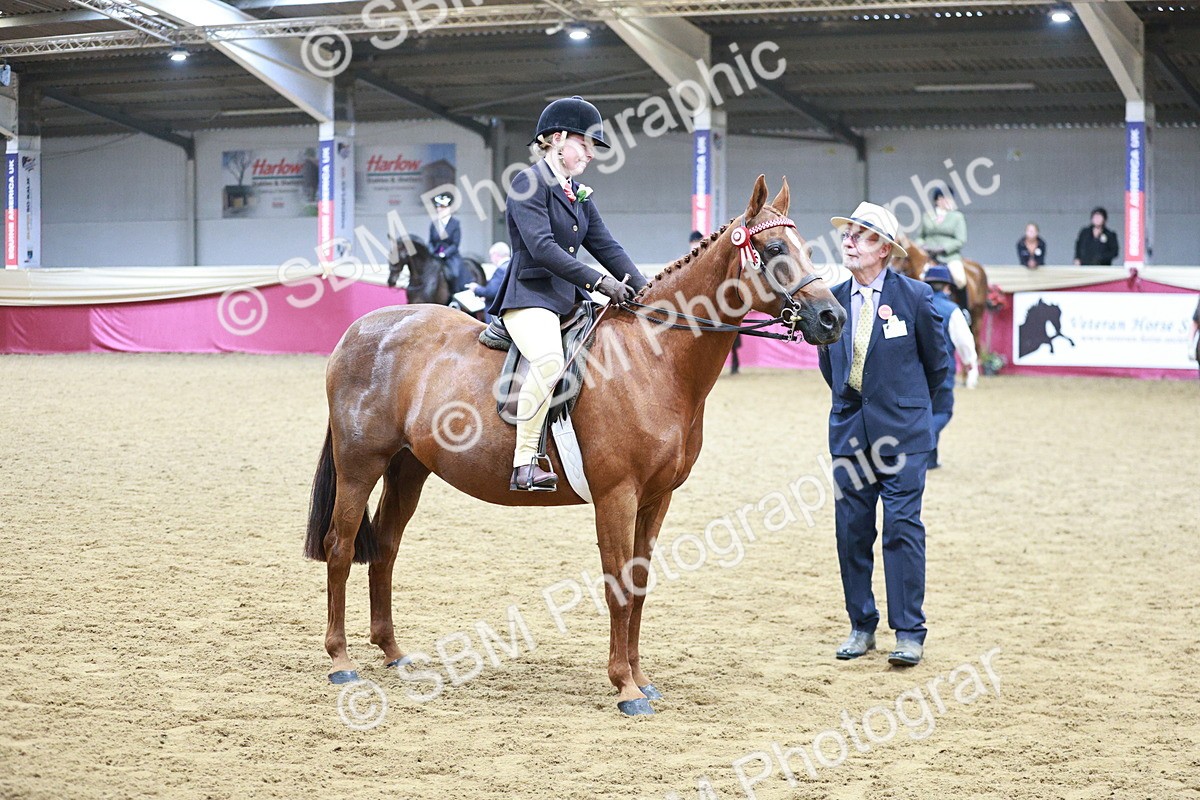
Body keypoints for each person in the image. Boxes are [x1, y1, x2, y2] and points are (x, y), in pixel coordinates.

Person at [486, 96, 647, 491]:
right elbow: (542, 248)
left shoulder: (578, 193)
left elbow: (608, 248)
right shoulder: (528, 183)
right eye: (585, 143)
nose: (592, 154)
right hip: (529, 297)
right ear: (557, 139)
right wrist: (600, 282)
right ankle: (524, 462)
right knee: (548, 361)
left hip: (569, 301)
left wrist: (649, 293)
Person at [818, 201, 952, 667]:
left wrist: (906, 409)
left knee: (901, 528)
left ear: (885, 250)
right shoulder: (830, 299)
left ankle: (909, 632)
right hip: (850, 431)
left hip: (904, 435)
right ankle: (861, 625)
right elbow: (828, 366)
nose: (849, 240)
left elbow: (938, 365)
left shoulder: (915, 296)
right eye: (848, 232)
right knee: (851, 531)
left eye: (862, 235)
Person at [923, 265, 978, 469]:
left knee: (926, 411)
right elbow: (964, 341)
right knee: (943, 412)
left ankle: (930, 460)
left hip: (915, 372)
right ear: (947, 288)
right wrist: (970, 362)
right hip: (942, 371)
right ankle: (922, 437)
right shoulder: (952, 310)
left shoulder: (916, 305)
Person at [916, 187, 967, 289]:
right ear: (937, 200)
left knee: (960, 279)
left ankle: (962, 304)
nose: (948, 201)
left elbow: (961, 240)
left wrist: (943, 248)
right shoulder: (927, 215)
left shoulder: (957, 216)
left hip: (949, 256)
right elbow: (920, 236)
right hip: (928, 255)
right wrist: (922, 246)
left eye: (950, 198)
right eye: (944, 198)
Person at [429, 192, 467, 292]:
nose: (439, 209)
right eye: (438, 207)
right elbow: (430, 241)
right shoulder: (434, 223)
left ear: (448, 208)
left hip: (450, 256)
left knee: (455, 274)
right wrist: (432, 252)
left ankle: (454, 296)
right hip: (435, 255)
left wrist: (444, 254)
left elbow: (455, 244)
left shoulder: (455, 224)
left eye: (442, 207)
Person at [469, 241, 510, 322]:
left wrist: (476, 288)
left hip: (496, 316)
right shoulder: (511, 266)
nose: (491, 259)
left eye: (491, 256)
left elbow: (491, 292)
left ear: (495, 254)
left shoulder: (501, 270)